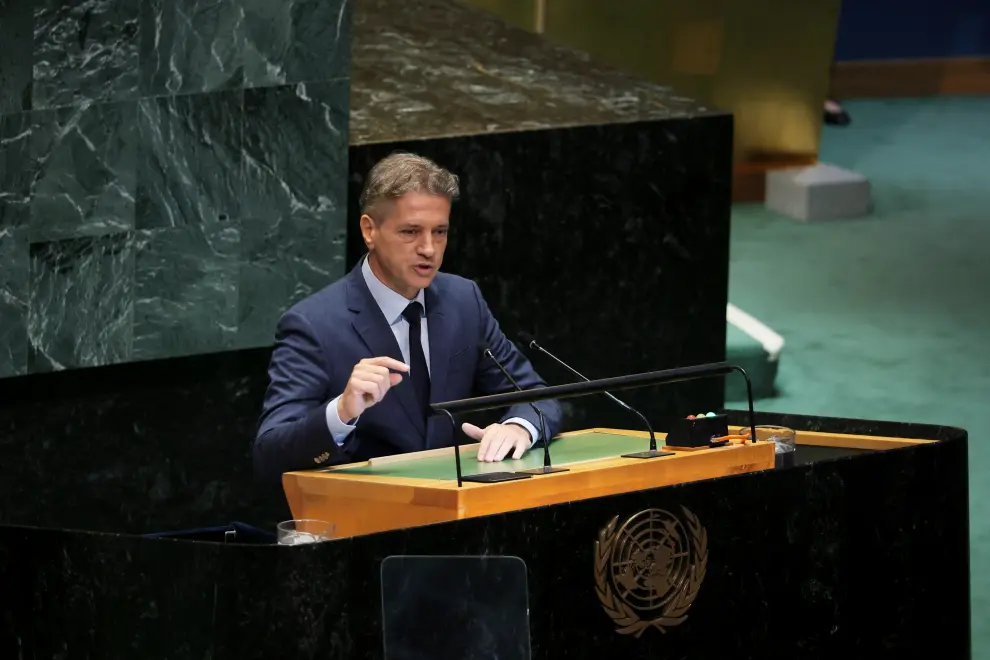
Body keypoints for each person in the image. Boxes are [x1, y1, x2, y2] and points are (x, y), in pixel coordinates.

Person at [253, 152, 562, 485]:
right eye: (411, 232)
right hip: (366, 521)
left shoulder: (463, 301)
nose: (429, 249)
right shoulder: (314, 325)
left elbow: (536, 397)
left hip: (458, 512)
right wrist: (342, 411)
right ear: (369, 230)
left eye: (440, 232)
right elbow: (270, 453)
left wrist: (520, 426)